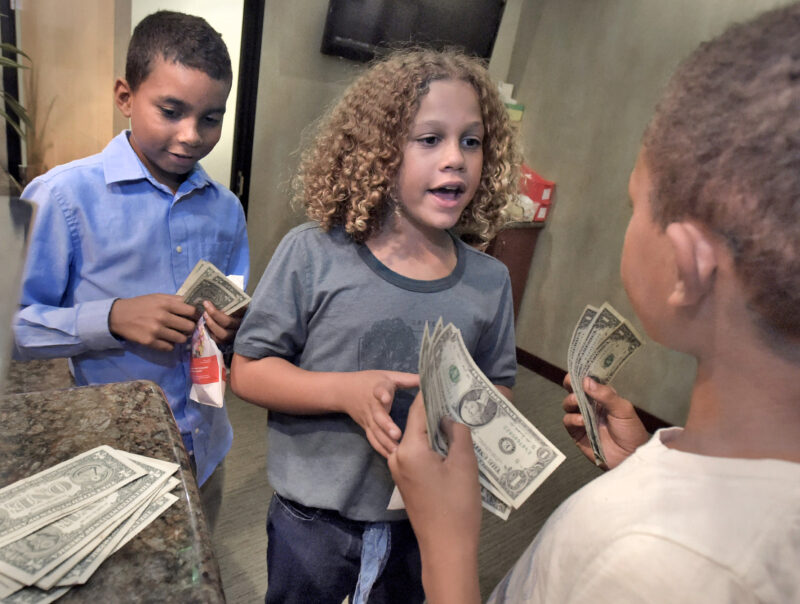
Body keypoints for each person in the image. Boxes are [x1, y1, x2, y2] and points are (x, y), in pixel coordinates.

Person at [388, 3, 800, 603]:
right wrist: (639, 471)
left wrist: (448, 548)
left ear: (687, 265)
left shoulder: (647, 566)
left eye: (635, 204)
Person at [230, 48, 521, 604]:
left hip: (423, 527)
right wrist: (345, 391)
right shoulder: (312, 254)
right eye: (430, 139)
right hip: (314, 522)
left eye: (472, 140)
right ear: (380, 152)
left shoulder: (490, 283)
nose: (456, 159)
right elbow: (248, 370)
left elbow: (497, 385)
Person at [13, 11, 248, 530]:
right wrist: (112, 318)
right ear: (125, 96)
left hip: (208, 445)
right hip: (112, 453)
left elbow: (233, 308)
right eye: (171, 110)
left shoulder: (227, 209)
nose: (191, 135)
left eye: (211, 118)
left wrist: (232, 331)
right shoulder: (59, 197)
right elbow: (12, 328)